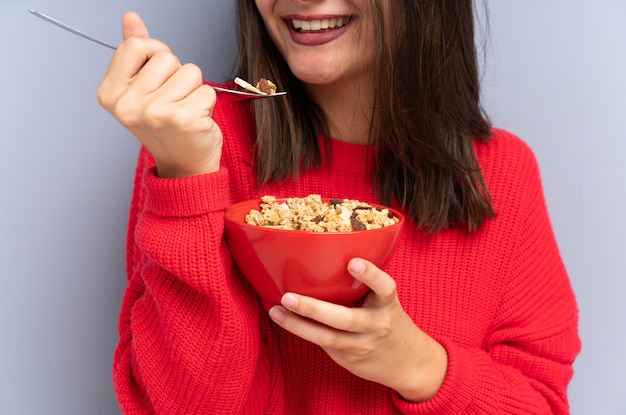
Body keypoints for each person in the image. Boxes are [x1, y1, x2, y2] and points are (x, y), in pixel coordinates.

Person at [97, 1, 581, 414]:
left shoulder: (502, 173)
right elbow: (183, 404)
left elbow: (539, 399)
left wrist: (418, 364)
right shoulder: (196, 138)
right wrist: (187, 175)